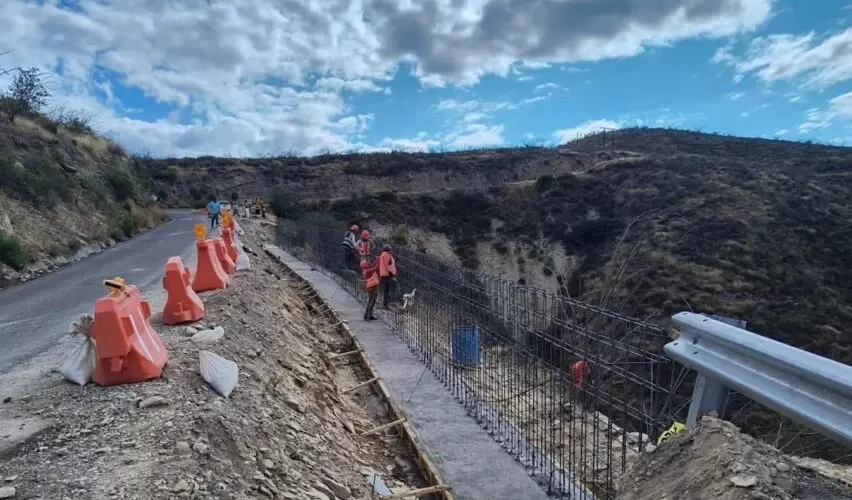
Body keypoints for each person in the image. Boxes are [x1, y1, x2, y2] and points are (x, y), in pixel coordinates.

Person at [378, 244, 398, 309]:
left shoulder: (382, 255)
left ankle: (385, 304)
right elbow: (388, 265)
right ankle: (393, 302)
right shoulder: (387, 256)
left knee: (386, 289)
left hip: (382, 275)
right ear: (389, 250)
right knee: (395, 287)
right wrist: (392, 273)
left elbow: (385, 263)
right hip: (388, 275)